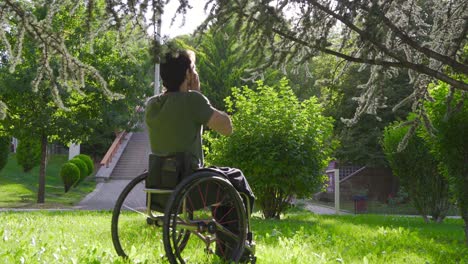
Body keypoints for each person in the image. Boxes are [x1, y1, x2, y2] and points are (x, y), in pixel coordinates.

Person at [145, 49, 254, 261]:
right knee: (237, 180)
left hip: (161, 189)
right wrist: (198, 94)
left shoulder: (152, 105)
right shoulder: (193, 101)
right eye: (193, 69)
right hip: (191, 187)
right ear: (187, 74)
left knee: (224, 180)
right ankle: (233, 248)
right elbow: (227, 128)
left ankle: (230, 246)